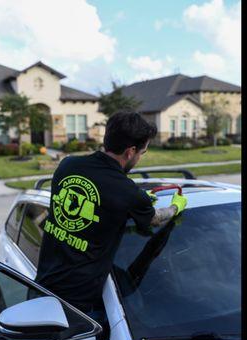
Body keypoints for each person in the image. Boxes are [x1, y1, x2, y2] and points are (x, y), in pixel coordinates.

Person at [35, 111, 187, 322]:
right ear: (130, 152)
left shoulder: (67, 165)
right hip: (77, 308)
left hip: (40, 287)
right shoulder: (126, 191)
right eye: (142, 152)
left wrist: (137, 200)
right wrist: (175, 207)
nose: (140, 157)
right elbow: (155, 219)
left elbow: (101, 200)